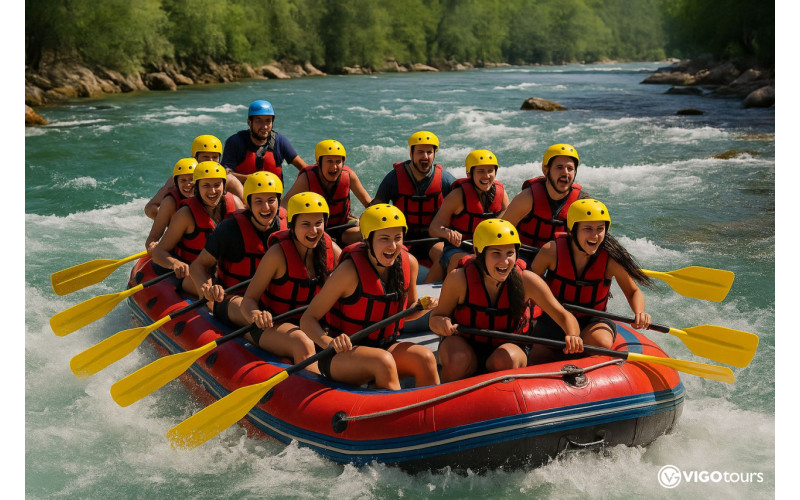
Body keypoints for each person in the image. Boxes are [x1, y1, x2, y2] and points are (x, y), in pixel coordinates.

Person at [300, 204, 439, 390]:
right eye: (384, 238)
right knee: (382, 361)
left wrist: (422, 308)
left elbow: (406, 314)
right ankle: (393, 416)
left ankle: (430, 416)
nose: (392, 245)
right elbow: (308, 319)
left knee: (425, 358)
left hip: (384, 346)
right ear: (368, 240)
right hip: (340, 355)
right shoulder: (349, 272)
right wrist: (330, 342)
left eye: (398, 238)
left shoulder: (410, 263)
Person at [429, 219, 581, 382]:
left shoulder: (528, 281)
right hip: (465, 344)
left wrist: (573, 334)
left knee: (507, 359)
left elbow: (564, 316)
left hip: (507, 347)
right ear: (479, 253)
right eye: (496, 253)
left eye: (510, 253)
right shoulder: (458, 279)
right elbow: (435, 319)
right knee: (457, 359)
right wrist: (442, 324)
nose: (505, 261)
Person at [529, 198, 653, 364]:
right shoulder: (551, 252)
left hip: (593, 320)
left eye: (600, 229)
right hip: (556, 317)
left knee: (600, 343)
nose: (595, 236)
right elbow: (528, 285)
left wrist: (639, 312)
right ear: (573, 230)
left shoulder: (610, 259)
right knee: (535, 357)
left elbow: (633, 291)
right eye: (588, 229)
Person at [239, 192, 342, 372]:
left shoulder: (330, 248)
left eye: (319, 223)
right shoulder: (277, 254)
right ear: (292, 225)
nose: (313, 231)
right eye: (306, 224)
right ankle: (315, 388)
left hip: (311, 324)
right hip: (272, 326)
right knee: (302, 342)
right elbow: (248, 301)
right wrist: (256, 315)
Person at [189, 171, 287, 326]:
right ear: (248, 203)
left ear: (279, 201)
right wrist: (207, 289)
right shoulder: (230, 228)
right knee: (245, 308)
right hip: (232, 298)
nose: (266, 207)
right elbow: (198, 265)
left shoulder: (287, 228)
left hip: (269, 300)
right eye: (258, 201)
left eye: (271, 200)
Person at [372, 130, 457, 282]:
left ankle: (427, 297)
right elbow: (377, 206)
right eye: (420, 152)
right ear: (411, 154)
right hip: (402, 238)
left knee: (443, 255)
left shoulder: (444, 179)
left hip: (432, 239)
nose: (425, 156)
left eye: (429, 152)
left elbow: (463, 202)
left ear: (434, 155)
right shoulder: (394, 178)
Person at [150, 161, 244, 295]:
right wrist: (174, 263)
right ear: (197, 188)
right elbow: (159, 252)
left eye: (217, 185)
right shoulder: (185, 214)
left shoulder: (235, 203)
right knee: (210, 287)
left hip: (223, 272)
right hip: (191, 274)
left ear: (224, 186)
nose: (212, 191)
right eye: (206, 185)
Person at [503, 143, 588, 265]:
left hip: (556, 260)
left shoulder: (582, 203)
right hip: (523, 256)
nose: (565, 173)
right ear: (546, 170)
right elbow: (500, 231)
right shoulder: (527, 198)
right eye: (559, 167)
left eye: (570, 168)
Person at [428, 149, 510, 275]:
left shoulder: (501, 194)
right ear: (469, 174)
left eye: (490, 171)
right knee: (467, 260)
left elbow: (509, 225)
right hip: (457, 249)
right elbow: (434, 228)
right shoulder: (457, 196)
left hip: (488, 250)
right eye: (480, 171)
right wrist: (449, 233)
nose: (486, 176)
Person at [282, 139, 371, 246]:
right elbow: (284, 205)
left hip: (343, 229)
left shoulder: (349, 176)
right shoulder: (307, 178)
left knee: (368, 236)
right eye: (329, 161)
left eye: (338, 162)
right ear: (319, 162)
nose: (334, 167)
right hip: (315, 230)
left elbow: (369, 204)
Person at [146, 135, 245, 215]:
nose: (210, 161)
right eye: (205, 157)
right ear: (195, 157)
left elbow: (247, 207)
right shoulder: (179, 179)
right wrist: (174, 223)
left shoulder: (229, 180)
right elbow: (150, 208)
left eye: (214, 157)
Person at [221, 100, 307, 184]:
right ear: (249, 122)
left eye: (268, 121)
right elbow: (225, 174)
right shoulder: (235, 142)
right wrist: (251, 179)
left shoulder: (279, 141)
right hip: (242, 196)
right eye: (259, 121)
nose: (265, 126)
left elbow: (305, 169)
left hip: (273, 197)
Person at [145, 158, 197, 252]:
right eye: (183, 180)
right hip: (179, 255)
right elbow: (152, 238)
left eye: (191, 179)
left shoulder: (209, 199)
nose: (188, 184)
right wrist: (152, 246)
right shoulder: (169, 202)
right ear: (176, 183)